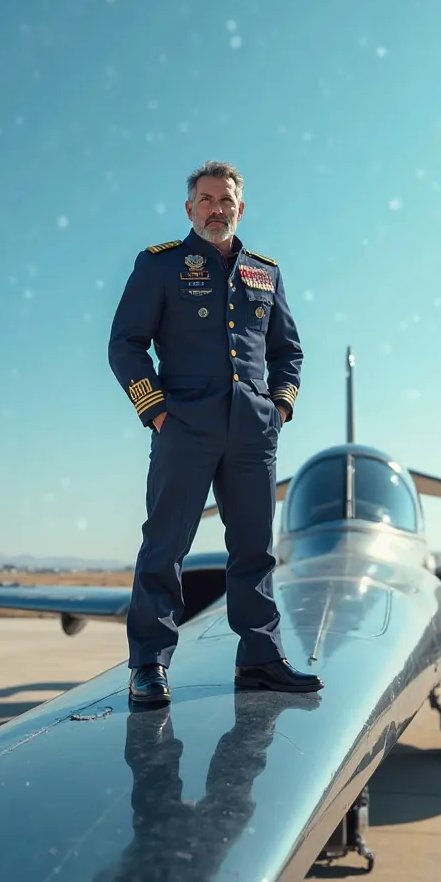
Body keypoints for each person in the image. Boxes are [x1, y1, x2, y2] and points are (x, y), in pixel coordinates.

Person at [108, 159, 323, 703]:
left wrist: (280, 409)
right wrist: (155, 410)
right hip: (184, 427)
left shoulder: (265, 272)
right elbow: (125, 345)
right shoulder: (160, 265)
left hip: (253, 432)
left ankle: (260, 658)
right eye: (205, 200)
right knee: (166, 545)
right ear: (189, 208)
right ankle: (150, 665)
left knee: (254, 550)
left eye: (225, 200)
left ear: (240, 207)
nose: (216, 208)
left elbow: (287, 351)